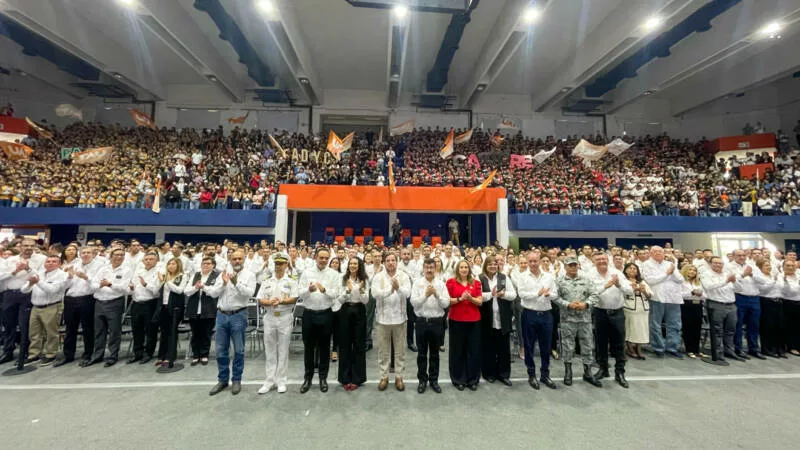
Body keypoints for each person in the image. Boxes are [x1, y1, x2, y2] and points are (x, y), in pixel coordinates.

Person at [209, 251, 256, 396]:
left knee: (239, 350)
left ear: (244, 260)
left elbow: (250, 293)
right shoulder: (223, 274)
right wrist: (223, 283)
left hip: (238, 315)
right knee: (220, 350)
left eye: (239, 258)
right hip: (221, 315)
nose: (237, 261)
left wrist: (236, 283)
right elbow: (213, 293)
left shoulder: (249, 275)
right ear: (230, 259)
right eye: (234, 259)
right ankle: (223, 380)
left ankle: (236, 379)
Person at [297, 247, 339, 394]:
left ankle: (323, 378)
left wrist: (324, 290)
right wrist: (308, 290)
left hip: (326, 314)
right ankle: (307, 378)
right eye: (321, 257)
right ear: (316, 258)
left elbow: (336, 294)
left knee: (325, 348)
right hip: (309, 314)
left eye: (326, 258)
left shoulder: (334, 274)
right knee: (308, 348)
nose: (324, 260)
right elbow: (299, 293)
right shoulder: (307, 273)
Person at [556, 256, 602, 387]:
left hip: (584, 318)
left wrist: (585, 304)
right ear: (565, 267)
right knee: (567, 345)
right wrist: (567, 304)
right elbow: (555, 297)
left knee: (587, 345)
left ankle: (588, 372)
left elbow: (595, 295)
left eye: (574, 265)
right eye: (570, 265)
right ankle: (568, 372)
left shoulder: (586, 280)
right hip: (567, 319)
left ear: (578, 266)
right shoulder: (559, 281)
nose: (573, 267)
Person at [256, 253, 298, 394]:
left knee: (283, 350)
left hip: (285, 317)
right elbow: (260, 299)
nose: (278, 266)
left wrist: (281, 301)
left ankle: (281, 380)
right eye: (276, 263)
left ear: (286, 265)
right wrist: (268, 302)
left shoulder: (292, 281)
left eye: (281, 263)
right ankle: (269, 381)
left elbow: (294, 298)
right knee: (270, 350)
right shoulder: (267, 281)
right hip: (269, 317)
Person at [515, 251, 558, 390]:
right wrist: (538, 294)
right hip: (529, 314)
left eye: (535, 261)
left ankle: (545, 374)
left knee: (546, 346)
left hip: (546, 315)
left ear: (540, 261)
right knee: (529, 346)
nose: (533, 264)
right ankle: (531, 374)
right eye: (530, 261)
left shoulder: (549, 276)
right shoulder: (522, 277)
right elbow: (522, 294)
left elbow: (555, 294)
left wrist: (549, 294)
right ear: (527, 262)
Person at [589, 253, 632, 388]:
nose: (602, 261)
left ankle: (620, 372)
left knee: (619, 344)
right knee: (600, 343)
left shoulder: (617, 273)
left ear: (608, 260)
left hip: (617, 312)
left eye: (604, 259)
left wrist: (618, 284)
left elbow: (630, 291)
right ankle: (603, 369)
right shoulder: (590, 274)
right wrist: (605, 286)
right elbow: (590, 293)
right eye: (598, 259)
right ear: (594, 261)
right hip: (600, 312)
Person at [0, 238, 46, 364]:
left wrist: (28, 269)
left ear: (35, 246)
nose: (28, 248)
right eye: (26, 245)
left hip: (28, 294)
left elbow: (41, 276)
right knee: (8, 325)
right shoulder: (11, 260)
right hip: (9, 293)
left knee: (24, 325)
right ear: (20, 246)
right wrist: (14, 271)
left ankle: (25, 352)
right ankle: (8, 351)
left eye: (31, 246)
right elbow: (1, 275)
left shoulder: (41, 259)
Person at [84, 248, 131, 367]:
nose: (119, 257)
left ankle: (112, 356)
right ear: (111, 256)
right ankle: (98, 355)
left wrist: (110, 284)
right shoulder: (103, 269)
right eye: (116, 254)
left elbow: (124, 288)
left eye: (122, 255)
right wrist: (100, 285)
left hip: (115, 302)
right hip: (99, 302)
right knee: (99, 331)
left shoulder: (126, 270)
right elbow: (93, 285)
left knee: (114, 331)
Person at [372, 252, 411, 391]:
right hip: (383, 320)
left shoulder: (403, 276)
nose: (390, 263)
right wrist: (390, 290)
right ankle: (384, 376)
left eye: (393, 260)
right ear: (384, 262)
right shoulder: (378, 277)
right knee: (383, 351)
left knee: (400, 351)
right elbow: (375, 294)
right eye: (388, 260)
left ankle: (399, 377)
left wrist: (398, 288)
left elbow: (407, 294)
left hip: (400, 319)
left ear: (397, 261)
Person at [57, 246, 102, 367]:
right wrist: (69, 276)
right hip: (70, 299)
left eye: (88, 252)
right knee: (70, 329)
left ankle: (88, 354)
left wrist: (86, 277)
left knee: (88, 329)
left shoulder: (99, 266)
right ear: (80, 254)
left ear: (93, 254)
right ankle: (68, 355)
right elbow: (65, 286)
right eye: (83, 253)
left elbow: (96, 285)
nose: (86, 254)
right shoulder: (74, 265)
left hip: (87, 299)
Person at [410, 258, 449, 394]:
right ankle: (422, 380)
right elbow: (414, 303)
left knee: (434, 354)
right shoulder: (417, 283)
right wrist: (425, 295)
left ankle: (434, 380)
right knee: (421, 354)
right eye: (427, 267)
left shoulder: (441, 284)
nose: (429, 270)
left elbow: (446, 304)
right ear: (423, 268)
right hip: (421, 322)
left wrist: (436, 295)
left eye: (431, 267)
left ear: (435, 268)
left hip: (436, 322)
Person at [21, 255, 68, 366]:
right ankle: (34, 354)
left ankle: (50, 354)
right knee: (34, 333)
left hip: (51, 306)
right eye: (48, 261)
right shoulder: (39, 273)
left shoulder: (62, 275)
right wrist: (30, 284)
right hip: (36, 307)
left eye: (54, 261)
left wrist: (38, 282)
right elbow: (24, 290)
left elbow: (52, 290)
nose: (50, 263)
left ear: (59, 264)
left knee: (51, 333)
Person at [478, 255, 516, 386]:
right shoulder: (480, 278)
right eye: (490, 264)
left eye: (495, 264)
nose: (493, 266)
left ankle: (503, 374)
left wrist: (503, 294)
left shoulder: (504, 278)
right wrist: (491, 294)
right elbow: (477, 296)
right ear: (485, 265)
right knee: (488, 347)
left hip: (502, 318)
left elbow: (513, 295)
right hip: (486, 319)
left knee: (503, 348)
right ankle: (489, 373)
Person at [446, 260, 483, 391]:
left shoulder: (476, 283)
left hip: (474, 321)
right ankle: (458, 379)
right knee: (457, 351)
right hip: (456, 320)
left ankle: (473, 379)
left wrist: (470, 299)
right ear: (457, 269)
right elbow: (447, 300)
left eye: (466, 267)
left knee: (473, 350)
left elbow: (480, 301)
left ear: (469, 269)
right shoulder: (451, 282)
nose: (464, 269)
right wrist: (460, 299)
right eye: (461, 267)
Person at [641, 246, 685, 359]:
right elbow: (650, 280)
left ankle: (672, 348)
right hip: (657, 298)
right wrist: (666, 274)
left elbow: (680, 280)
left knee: (675, 324)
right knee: (655, 324)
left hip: (673, 298)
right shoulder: (646, 264)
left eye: (660, 251)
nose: (658, 253)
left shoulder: (669, 264)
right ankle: (658, 348)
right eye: (655, 251)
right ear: (651, 253)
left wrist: (672, 271)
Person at [334, 256, 369, 391]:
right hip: (346, 310)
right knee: (345, 344)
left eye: (355, 263)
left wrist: (359, 289)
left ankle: (357, 378)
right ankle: (345, 378)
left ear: (359, 266)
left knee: (359, 344)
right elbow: (340, 300)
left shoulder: (364, 279)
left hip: (359, 310)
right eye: (351, 263)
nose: (353, 266)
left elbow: (365, 300)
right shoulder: (343, 279)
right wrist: (348, 290)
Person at [700, 256, 741, 365]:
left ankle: (729, 351)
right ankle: (717, 354)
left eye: (720, 263)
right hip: (716, 304)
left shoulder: (727, 273)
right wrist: (726, 281)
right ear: (710, 264)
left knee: (731, 329)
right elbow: (708, 286)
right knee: (717, 331)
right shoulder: (706, 274)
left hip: (731, 304)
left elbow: (739, 289)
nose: (718, 265)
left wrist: (735, 282)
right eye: (715, 263)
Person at [184, 256, 223, 366]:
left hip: (209, 308)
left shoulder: (217, 276)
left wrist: (204, 287)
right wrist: (196, 288)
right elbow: (186, 291)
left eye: (208, 263)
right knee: (195, 333)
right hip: (194, 308)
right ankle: (196, 355)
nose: (205, 265)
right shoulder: (195, 275)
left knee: (206, 333)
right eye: (204, 263)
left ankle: (204, 354)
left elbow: (215, 292)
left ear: (213, 265)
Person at [727, 249, 766, 359]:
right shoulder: (729, 266)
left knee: (754, 325)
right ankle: (738, 349)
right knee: (738, 325)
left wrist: (752, 274)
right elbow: (731, 280)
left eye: (744, 255)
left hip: (754, 298)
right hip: (739, 297)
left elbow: (763, 281)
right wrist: (744, 274)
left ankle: (754, 348)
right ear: (733, 256)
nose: (742, 257)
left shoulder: (751, 266)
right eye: (739, 255)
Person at [127, 252, 162, 365]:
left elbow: (156, 291)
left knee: (150, 330)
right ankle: (137, 353)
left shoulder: (159, 272)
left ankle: (148, 353)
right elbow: (130, 289)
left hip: (150, 303)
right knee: (136, 330)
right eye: (146, 259)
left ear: (156, 261)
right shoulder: (138, 271)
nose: (148, 261)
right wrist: (131, 288)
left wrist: (146, 284)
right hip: (136, 303)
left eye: (151, 259)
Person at [157, 258, 187, 369]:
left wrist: (167, 281)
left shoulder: (182, 276)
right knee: (164, 332)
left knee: (172, 332)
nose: (170, 265)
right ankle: (161, 355)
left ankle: (170, 357)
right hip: (163, 306)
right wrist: (161, 282)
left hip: (175, 308)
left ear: (178, 265)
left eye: (173, 264)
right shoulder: (164, 276)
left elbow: (179, 290)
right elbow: (157, 291)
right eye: (169, 263)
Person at [755, 259, 784, 358]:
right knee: (768, 326)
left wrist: (775, 280)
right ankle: (768, 349)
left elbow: (781, 287)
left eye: (769, 265)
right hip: (766, 302)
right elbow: (763, 289)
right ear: (760, 267)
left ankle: (778, 348)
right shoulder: (759, 277)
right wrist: (773, 281)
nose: (769, 267)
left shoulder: (773, 276)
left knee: (778, 326)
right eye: (766, 265)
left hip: (778, 301)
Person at [623, 263, 651, 360]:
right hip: (629, 308)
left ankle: (639, 349)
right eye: (630, 268)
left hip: (642, 309)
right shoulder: (624, 281)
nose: (632, 270)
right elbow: (622, 294)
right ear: (625, 270)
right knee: (629, 329)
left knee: (641, 330)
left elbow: (650, 295)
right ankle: (630, 348)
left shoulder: (642, 282)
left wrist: (644, 291)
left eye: (634, 268)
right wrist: (633, 289)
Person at [680, 264, 706, 359]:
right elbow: (679, 294)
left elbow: (705, 295)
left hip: (698, 305)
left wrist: (700, 294)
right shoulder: (682, 282)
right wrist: (691, 292)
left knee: (697, 328)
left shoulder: (698, 282)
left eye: (694, 270)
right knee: (688, 328)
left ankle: (696, 350)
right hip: (687, 305)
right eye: (690, 269)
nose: (692, 272)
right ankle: (689, 349)